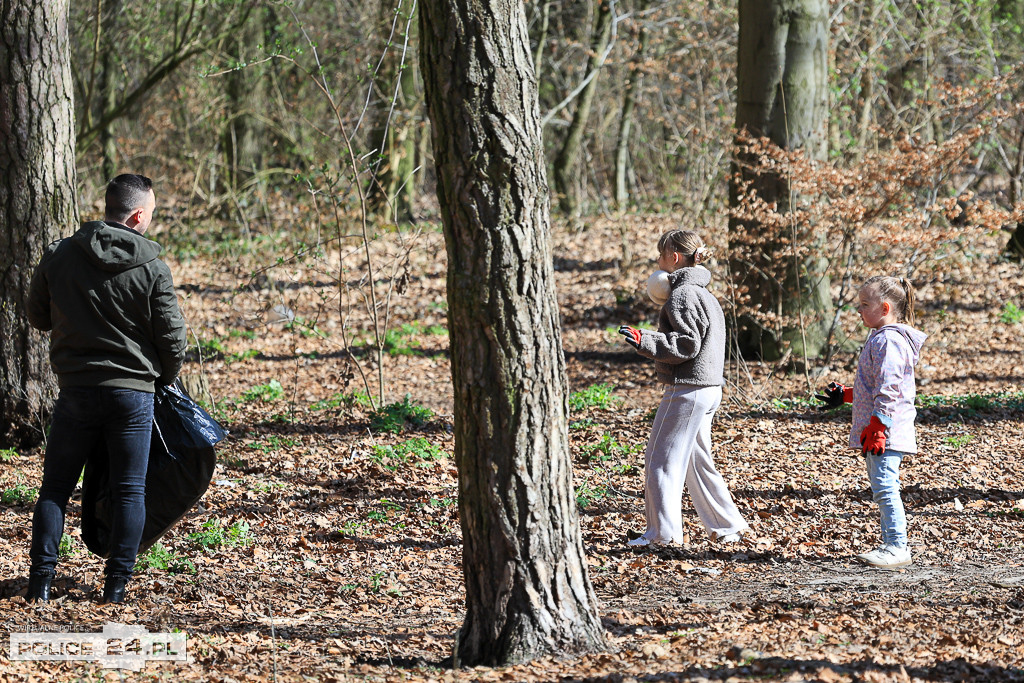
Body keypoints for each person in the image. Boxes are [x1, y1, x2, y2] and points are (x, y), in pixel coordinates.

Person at [24, 174, 188, 604]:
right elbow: (173, 340)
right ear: (136, 215)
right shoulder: (153, 268)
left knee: (55, 489)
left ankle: (39, 583)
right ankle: (114, 589)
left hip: (76, 391)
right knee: (129, 490)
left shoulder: (59, 255)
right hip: (132, 396)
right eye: (150, 214)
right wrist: (161, 380)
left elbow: (37, 315)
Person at [617, 229, 749, 547]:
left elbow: (687, 344)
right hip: (708, 388)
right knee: (695, 459)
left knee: (660, 459)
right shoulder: (704, 293)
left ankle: (661, 534)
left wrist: (644, 340)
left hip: (687, 389)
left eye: (661, 255)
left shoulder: (683, 294)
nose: (658, 261)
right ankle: (727, 525)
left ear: (673, 258)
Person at [816, 276, 925, 569]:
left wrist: (878, 426)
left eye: (865, 305)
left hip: (884, 430)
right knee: (883, 486)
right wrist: (847, 395)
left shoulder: (889, 340)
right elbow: (875, 385)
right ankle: (892, 544)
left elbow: (889, 388)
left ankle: (896, 547)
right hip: (880, 428)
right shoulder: (882, 338)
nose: (859, 310)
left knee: (886, 487)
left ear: (885, 307)